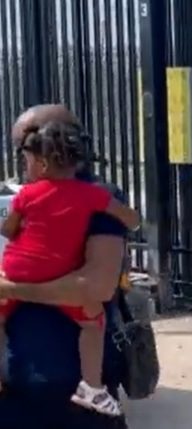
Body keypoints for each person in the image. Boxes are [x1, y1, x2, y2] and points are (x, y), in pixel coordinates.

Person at [0, 104, 130, 428]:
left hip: (71, 389)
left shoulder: (98, 196)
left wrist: (14, 288)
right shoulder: (27, 195)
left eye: (26, 148)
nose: (24, 159)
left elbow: (96, 286)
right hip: (17, 383)